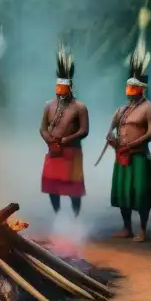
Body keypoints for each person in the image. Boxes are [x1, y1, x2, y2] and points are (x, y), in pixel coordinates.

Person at [105, 40, 151, 241]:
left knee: (141, 193)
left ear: (141, 89)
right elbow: (111, 130)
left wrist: (133, 144)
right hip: (122, 156)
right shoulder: (121, 109)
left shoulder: (149, 108)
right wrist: (111, 138)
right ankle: (127, 227)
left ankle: (142, 229)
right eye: (127, 86)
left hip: (138, 157)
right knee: (123, 193)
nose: (128, 89)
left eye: (132, 86)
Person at [39, 46, 89, 216]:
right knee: (53, 187)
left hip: (72, 152)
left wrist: (67, 140)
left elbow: (84, 130)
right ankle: (58, 216)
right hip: (54, 151)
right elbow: (42, 128)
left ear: (70, 87)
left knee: (73, 189)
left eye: (62, 86)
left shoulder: (80, 107)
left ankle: (75, 218)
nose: (58, 89)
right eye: (57, 86)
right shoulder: (49, 105)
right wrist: (49, 140)